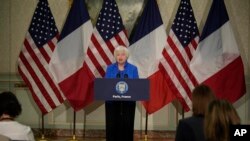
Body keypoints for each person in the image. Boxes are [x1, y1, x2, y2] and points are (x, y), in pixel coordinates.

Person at [105, 45, 139, 141]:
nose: (120, 57)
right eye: (118, 54)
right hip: (112, 102)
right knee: (112, 125)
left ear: (127, 56)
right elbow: (106, 85)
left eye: (123, 54)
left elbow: (137, 85)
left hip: (128, 103)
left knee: (127, 124)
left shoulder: (133, 69)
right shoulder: (110, 68)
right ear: (115, 56)